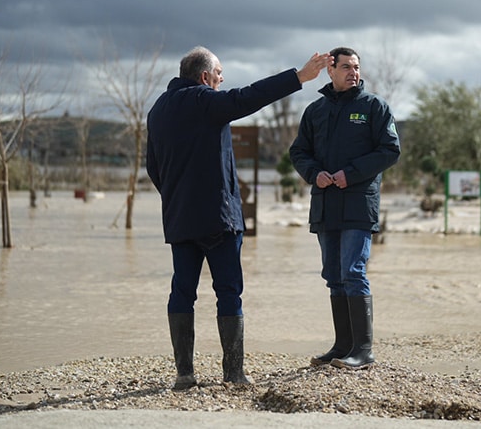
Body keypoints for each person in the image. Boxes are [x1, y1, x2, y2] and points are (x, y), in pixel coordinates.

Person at [146, 46, 331, 389]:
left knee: (182, 291)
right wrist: (299, 77)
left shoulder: (158, 109)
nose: (222, 79)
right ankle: (233, 373)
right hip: (219, 219)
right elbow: (249, 97)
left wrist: (176, 199)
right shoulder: (204, 100)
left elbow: (153, 167)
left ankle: (185, 374)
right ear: (204, 77)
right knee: (229, 292)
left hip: (179, 218)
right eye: (219, 74)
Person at [289, 46, 401, 370]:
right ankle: (342, 346)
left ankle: (363, 350)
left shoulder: (374, 107)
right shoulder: (315, 111)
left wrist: (349, 174)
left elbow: (390, 150)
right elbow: (298, 152)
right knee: (334, 276)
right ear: (331, 70)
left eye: (356, 67)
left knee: (353, 271)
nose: (354, 72)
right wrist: (315, 174)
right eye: (346, 67)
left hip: (358, 203)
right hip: (325, 204)